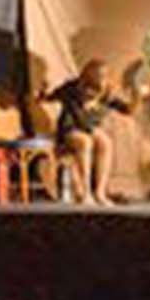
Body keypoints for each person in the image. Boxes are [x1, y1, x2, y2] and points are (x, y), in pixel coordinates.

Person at [43, 59, 130, 206]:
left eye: (96, 92)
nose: (91, 95)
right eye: (89, 90)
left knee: (106, 142)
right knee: (85, 141)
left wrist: (138, 96)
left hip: (89, 129)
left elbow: (127, 110)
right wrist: (42, 95)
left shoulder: (107, 93)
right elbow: (53, 97)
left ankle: (100, 192)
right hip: (70, 129)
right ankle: (85, 192)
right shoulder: (71, 89)